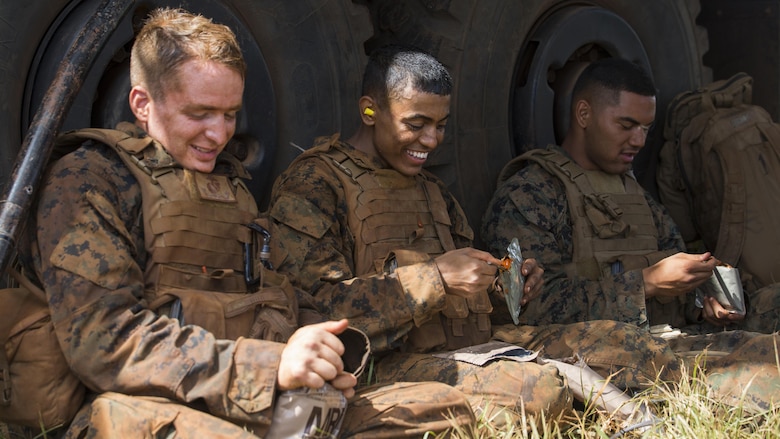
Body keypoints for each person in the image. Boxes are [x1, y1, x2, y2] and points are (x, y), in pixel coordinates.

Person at [15, 9, 474, 438]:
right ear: (141, 103)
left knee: (443, 408)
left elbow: (273, 295)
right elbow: (105, 342)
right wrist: (268, 368)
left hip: (232, 391)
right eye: (199, 114)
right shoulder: (88, 179)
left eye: (230, 114)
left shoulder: (226, 187)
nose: (219, 135)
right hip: (118, 404)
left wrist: (326, 349)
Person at [268, 45, 684, 426]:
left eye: (441, 125)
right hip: (386, 361)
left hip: (471, 343)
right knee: (536, 392)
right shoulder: (314, 184)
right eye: (416, 124)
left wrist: (507, 285)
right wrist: (436, 278)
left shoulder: (433, 191)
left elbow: (477, 303)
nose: (430, 141)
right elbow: (318, 313)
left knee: (631, 347)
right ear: (370, 111)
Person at [481, 57, 780, 334]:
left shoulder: (635, 193)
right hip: (597, 353)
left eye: (646, 128)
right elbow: (530, 308)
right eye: (626, 125)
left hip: (666, 340)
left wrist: (703, 303)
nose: (639, 141)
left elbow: (678, 274)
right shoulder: (528, 195)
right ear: (584, 114)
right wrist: (646, 283)